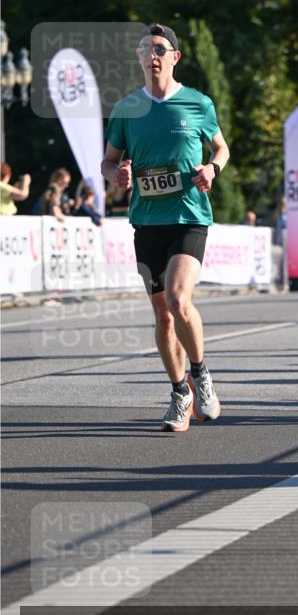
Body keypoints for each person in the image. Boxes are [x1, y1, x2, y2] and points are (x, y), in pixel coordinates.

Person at [102, 22, 230, 431]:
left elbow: (221, 148)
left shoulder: (198, 103)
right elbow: (108, 161)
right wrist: (116, 176)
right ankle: (179, 392)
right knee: (163, 316)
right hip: (146, 221)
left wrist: (212, 168)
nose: (152, 55)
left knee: (178, 299)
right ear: (139, 59)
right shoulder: (127, 108)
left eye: (159, 48)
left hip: (189, 216)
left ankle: (201, 374)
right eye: (145, 49)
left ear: (175, 57)